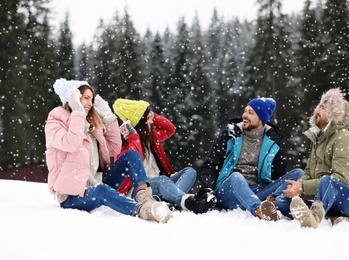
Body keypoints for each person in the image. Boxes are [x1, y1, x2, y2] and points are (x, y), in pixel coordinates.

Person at [44, 79, 172, 223]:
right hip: (71, 195)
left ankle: (145, 198)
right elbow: (71, 143)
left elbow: (114, 148)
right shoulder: (55, 123)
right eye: (86, 98)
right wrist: (78, 112)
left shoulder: (90, 126)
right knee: (101, 190)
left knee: (131, 155)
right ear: (72, 98)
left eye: (91, 100)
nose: (90, 104)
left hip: (97, 182)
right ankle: (142, 210)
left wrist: (109, 117)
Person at [196, 97, 304, 220]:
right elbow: (211, 164)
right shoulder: (230, 134)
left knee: (298, 173)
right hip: (228, 190)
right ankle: (260, 210)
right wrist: (206, 188)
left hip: (257, 190)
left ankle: (271, 202)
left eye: (251, 112)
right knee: (237, 176)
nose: (245, 115)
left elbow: (278, 175)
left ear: (262, 118)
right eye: (245, 111)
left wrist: (278, 191)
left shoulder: (275, 141)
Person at [284, 88, 349, 228]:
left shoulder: (343, 138)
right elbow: (308, 172)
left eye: (322, 107)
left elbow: (339, 179)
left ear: (334, 114)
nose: (317, 110)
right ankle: (336, 218)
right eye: (318, 106)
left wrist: (303, 187)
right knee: (284, 201)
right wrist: (296, 187)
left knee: (329, 181)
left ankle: (314, 218)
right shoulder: (318, 139)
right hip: (334, 202)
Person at [112, 99, 216, 214]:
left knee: (190, 172)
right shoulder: (122, 146)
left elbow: (170, 129)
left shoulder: (151, 137)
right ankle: (188, 202)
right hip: (139, 190)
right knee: (163, 180)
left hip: (161, 183)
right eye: (147, 119)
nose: (151, 122)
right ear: (140, 122)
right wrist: (134, 138)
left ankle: (170, 202)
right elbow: (135, 158)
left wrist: (151, 114)